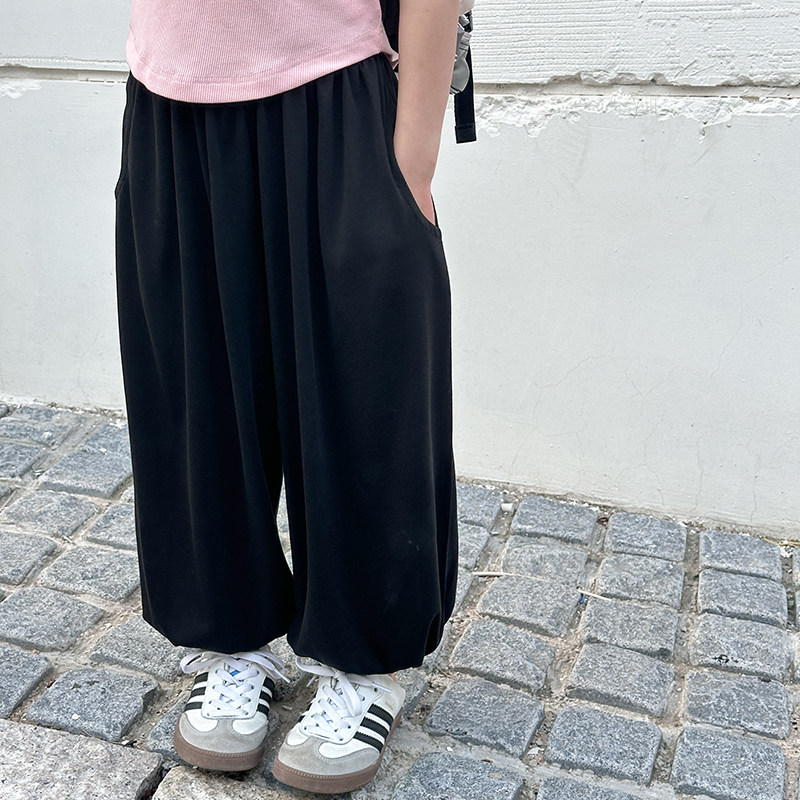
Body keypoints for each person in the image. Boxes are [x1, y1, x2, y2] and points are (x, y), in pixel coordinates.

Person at [113, 0, 461, 793]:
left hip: (334, 89)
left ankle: (366, 663)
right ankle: (230, 640)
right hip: (170, 97)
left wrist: (412, 161)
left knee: (361, 389)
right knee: (196, 391)